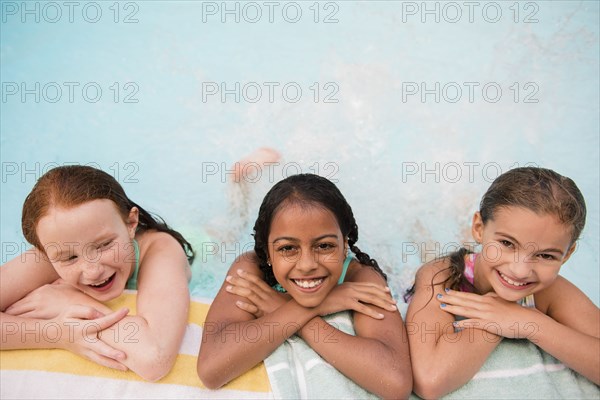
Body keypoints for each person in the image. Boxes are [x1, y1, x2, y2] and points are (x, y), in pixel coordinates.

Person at [197, 173, 412, 398]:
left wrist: (283, 309)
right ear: (267, 252)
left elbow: (395, 383)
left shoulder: (360, 279)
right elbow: (211, 369)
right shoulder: (251, 269)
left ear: (345, 245)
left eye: (325, 246)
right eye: (288, 248)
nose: (307, 265)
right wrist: (315, 306)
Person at [405, 167, 599, 398]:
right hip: (442, 270)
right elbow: (430, 380)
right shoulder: (440, 276)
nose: (520, 271)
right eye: (507, 243)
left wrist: (528, 322)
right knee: (423, 241)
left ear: (567, 254)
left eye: (546, 255)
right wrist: (497, 318)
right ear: (479, 228)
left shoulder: (550, 290)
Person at [1, 165, 194, 382]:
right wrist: (58, 333)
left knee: (223, 232)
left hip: (202, 243)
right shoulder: (57, 244)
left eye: (104, 245)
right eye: (70, 259)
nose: (93, 271)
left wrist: (69, 301)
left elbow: (154, 360)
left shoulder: (161, 251)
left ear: (131, 223)